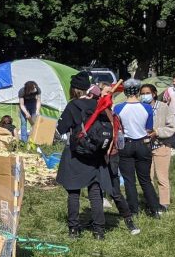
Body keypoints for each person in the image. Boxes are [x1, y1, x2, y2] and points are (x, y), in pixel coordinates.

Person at [55, 72, 130, 239]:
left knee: (73, 193)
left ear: (74, 90)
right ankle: (99, 231)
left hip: (76, 154)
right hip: (96, 154)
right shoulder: (99, 104)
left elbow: (60, 130)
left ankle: (74, 229)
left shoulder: (73, 105)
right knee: (95, 193)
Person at [115, 83, 162, 221]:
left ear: (125, 92)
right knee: (145, 179)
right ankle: (154, 209)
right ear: (138, 92)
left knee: (129, 180)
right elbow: (149, 128)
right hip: (143, 144)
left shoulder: (118, 108)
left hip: (126, 145)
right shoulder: (147, 107)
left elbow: (118, 128)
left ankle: (133, 210)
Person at [141, 83, 175, 215]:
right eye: (142, 93)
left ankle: (164, 203)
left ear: (154, 93)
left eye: (147, 93)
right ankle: (151, 202)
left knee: (162, 177)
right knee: (147, 177)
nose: (145, 96)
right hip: (145, 147)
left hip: (161, 145)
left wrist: (157, 132)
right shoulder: (140, 107)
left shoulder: (163, 107)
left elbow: (171, 127)